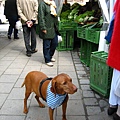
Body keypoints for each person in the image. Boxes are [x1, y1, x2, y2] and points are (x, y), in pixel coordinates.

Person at [106, 0, 120, 120]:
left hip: (118, 43)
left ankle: (113, 104)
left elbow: (114, 18)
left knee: (117, 76)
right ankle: (118, 110)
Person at [38, 0, 60, 67]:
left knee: (55, 43)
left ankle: (50, 55)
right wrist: (43, 27)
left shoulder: (52, 4)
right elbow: (41, 16)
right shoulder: (42, 4)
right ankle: (47, 59)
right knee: (47, 45)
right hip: (47, 27)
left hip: (53, 28)